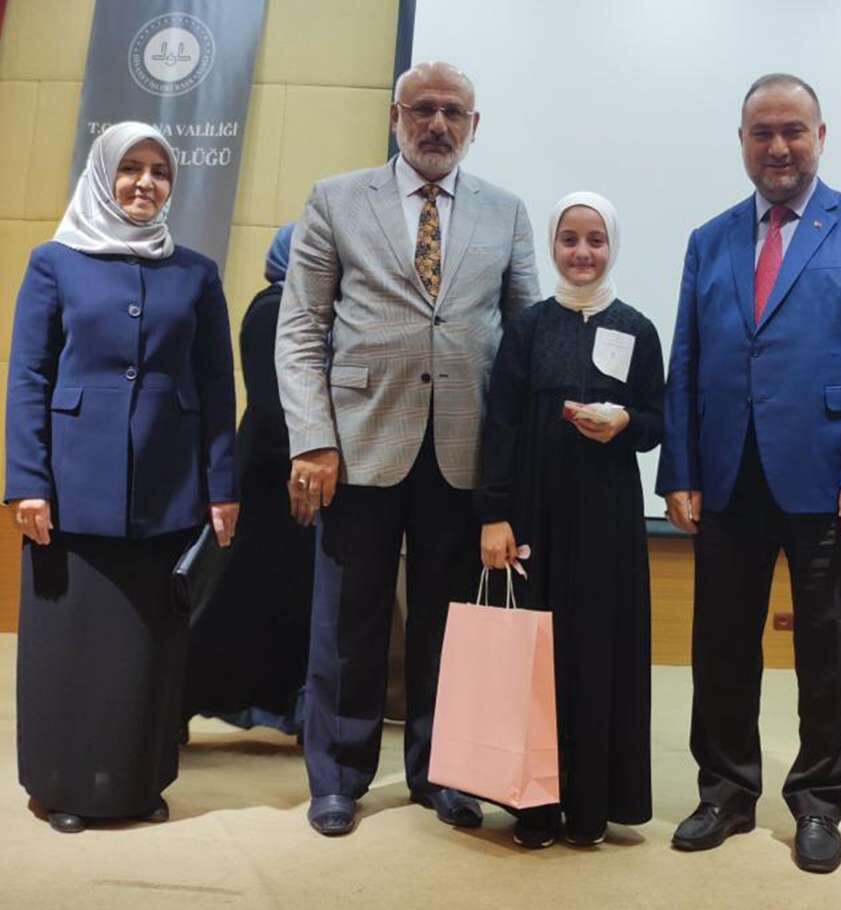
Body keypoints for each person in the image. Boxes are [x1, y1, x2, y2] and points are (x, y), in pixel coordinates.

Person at [657, 73, 841, 874]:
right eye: (762, 132)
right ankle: (726, 793)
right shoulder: (710, 239)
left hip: (835, 481)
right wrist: (680, 469)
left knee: (832, 652)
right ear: (742, 142)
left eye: (793, 131)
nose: (778, 146)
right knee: (720, 645)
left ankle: (819, 802)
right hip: (728, 474)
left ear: (820, 136)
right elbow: (687, 358)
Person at [275, 61, 541, 837]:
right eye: (422, 109)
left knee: (448, 624)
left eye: (453, 112)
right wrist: (312, 439)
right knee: (347, 621)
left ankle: (443, 771)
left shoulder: (506, 212)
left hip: (464, 447)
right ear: (396, 117)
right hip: (358, 444)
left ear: (474, 125)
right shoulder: (335, 199)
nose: (437, 124)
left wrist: (519, 460)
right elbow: (301, 327)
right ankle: (338, 777)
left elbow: (524, 337)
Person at [5, 122, 238, 833]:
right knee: (71, 643)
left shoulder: (196, 273)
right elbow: (29, 375)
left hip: (169, 489)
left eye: (159, 172)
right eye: (130, 168)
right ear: (103, 176)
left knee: (149, 646)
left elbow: (216, 383)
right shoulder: (55, 262)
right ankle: (64, 786)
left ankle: (140, 782)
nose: (145, 182)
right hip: (72, 488)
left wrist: (222, 486)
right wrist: (27, 480)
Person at [478, 192, 662, 849]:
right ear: (553, 247)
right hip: (535, 517)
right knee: (534, 659)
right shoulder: (528, 327)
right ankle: (533, 806)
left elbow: (657, 422)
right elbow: (500, 424)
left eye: (595, 240)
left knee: (597, 653)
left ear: (613, 246)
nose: (582, 253)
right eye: (569, 239)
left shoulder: (637, 328)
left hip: (607, 521)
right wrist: (494, 514)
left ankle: (590, 805)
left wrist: (626, 421)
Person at [183, 224, 314, 737]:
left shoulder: (304, 310)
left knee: (279, 600)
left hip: (291, 478)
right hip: (271, 479)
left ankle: (282, 706)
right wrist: (301, 466)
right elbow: (273, 402)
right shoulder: (273, 310)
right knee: (233, 599)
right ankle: (176, 701)